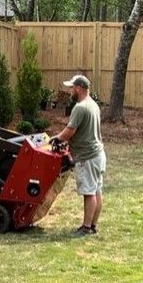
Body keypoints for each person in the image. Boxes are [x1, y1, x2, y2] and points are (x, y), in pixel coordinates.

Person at [50, 74, 105, 236]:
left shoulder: (80, 108)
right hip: (98, 154)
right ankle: (93, 225)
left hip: (87, 156)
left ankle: (86, 227)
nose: (69, 90)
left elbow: (70, 131)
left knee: (89, 192)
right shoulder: (93, 104)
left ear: (79, 89)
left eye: (72, 87)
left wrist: (57, 138)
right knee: (96, 191)